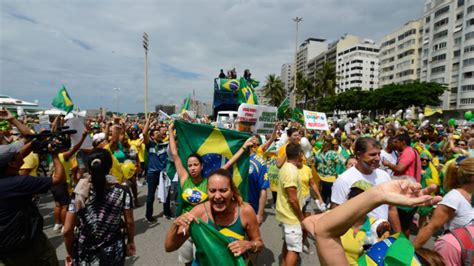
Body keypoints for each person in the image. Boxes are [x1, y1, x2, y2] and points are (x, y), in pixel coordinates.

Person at [168, 123, 254, 266]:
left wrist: (244, 147)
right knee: (186, 261)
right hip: (186, 227)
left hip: (203, 229)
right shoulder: (184, 179)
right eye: (189, 165)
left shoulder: (210, 183)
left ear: (201, 166)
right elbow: (175, 154)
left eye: (195, 164)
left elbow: (229, 164)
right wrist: (171, 131)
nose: (192, 168)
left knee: (202, 260)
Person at [302, 179, 442, 265]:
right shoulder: (338, 220)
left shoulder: (379, 226)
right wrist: (377, 194)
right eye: (355, 196)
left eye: (361, 197)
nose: (357, 200)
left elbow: (325, 232)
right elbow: (311, 223)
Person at [0, 108, 66, 265]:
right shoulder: (19, 183)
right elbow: (58, 178)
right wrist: (55, 154)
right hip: (27, 243)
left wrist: (12, 120)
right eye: (16, 154)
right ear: (11, 163)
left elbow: (27, 142)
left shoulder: (5, 171)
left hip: (6, 245)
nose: (20, 153)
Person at [164, 169, 264, 264]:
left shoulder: (245, 211)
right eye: (212, 191)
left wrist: (249, 245)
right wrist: (175, 225)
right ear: (207, 192)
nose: (217, 196)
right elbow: (169, 247)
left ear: (232, 191)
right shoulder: (199, 213)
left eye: (223, 190)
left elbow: (259, 244)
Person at [63, 148, 135, 265]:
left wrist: (70, 253)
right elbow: (130, 223)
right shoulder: (122, 191)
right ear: (110, 167)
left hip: (85, 252)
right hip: (113, 251)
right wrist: (131, 241)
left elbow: (67, 230)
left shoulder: (78, 193)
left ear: (88, 168)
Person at [331, 137, 401, 231]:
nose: (377, 158)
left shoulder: (384, 176)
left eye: (379, 154)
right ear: (359, 155)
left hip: (382, 239)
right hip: (357, 241)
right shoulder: (344, 180)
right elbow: (335, 214)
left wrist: (399, 236)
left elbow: (391, 209)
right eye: (372, 154)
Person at [413, 157, 474, 249]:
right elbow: (430, 228)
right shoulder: (453, 198)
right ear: (472, 177)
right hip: (453, 254)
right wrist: (407, 256)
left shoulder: (471, 196)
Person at [276, 143, 305, 266]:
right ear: (299, 155)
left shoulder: (286, 166)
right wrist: (301, 217)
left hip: (286, 215)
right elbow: (293, 199)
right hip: (291, 218)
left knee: (288, 245)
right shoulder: (291, 172)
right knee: (294, 250)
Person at [143, 114, 169, 222]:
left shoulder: (166, 144)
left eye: (159, 132)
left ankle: (167, 212)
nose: (159, 134)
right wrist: (148, 121)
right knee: (150, 196)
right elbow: (144, 133)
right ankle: (149, 216)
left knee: (166, 194)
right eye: (156, 133)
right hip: (152, 174)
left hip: (163, 174)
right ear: (152, 137)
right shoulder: (150, 145)